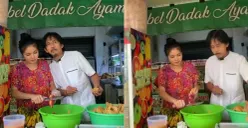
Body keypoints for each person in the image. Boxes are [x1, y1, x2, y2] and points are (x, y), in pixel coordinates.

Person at [42, 32, 103, 121]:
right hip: (68, 109)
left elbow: (92, 74)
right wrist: (66, 92)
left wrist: (97, 86)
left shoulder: (76, 55)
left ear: (61, 45)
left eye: (55, 42)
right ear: (46, 50)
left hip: (86, 104)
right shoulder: (50, 67)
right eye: (48, 44)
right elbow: (57, 90)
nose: (52, 46)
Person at [10, 33, 60, 126]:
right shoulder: (17, 69)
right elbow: (14, 92)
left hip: (46, 110)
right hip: (27, 114)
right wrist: (32, 96)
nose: (33, 57)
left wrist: (54, 90)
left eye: (35, 52)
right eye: (28, 54)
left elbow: (51, 82)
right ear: (22, 54)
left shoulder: (44, 64)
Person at [205, 29, 248, 120]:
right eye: (212, 47)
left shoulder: (239, 60)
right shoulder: (209, 61)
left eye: (218, 45)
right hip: (216, 110)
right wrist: (212, 88)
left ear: (227, 44)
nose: (215, 50)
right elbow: (208, 82)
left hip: (237, 110)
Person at [157, 38, 199, 109]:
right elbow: (161, 92)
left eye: (178, 55)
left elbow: (196, 85)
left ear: (182, 53)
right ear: (167, 57)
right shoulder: (164, 71)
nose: (176, 59)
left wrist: (195, 90)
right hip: (171, 110)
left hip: (189, 109)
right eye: (172, 57)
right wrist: (175, 101)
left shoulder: (190, 67)